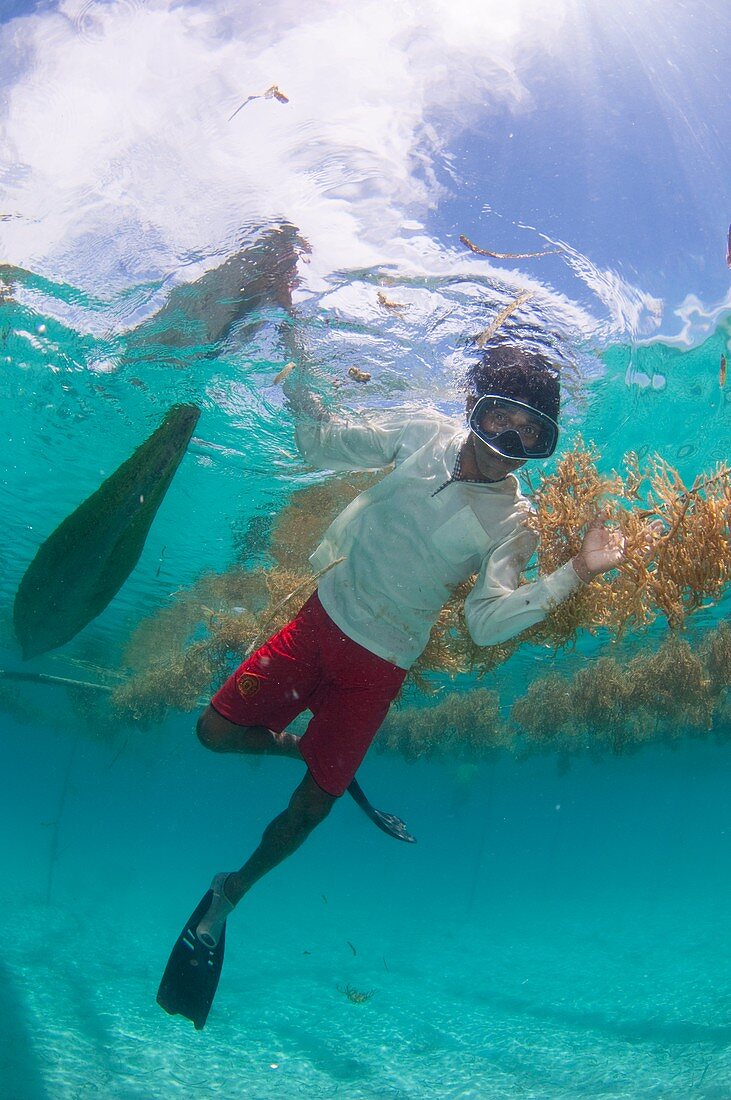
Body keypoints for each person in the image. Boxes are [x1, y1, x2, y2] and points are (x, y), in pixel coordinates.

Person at [157, 343, 634, 1028]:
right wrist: (300, 383)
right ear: (474, 408)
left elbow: (485, 624)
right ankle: (304, 749)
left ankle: (228, 894)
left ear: (544, 443)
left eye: (530, 434)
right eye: (500, 418)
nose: (508, 444)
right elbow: (323, 441)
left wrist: (575, 575)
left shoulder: (514, 523)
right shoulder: (421, 432)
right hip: (318, 622)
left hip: (378, 670)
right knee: (213, 732)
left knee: (309, 811)